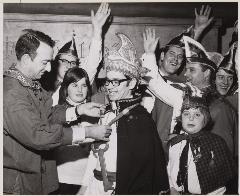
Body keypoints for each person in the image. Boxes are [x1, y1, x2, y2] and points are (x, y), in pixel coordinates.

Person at [3, 29, 112, 194]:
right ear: (26, 59)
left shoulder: (30, 84)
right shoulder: (11, 93)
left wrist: (77, 110)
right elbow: (39, 135)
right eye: (44, 62)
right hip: (20, 186)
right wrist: (87, 132)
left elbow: (47, 115)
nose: (48, 69)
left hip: (37, 180)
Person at [79, 33, 169, 195]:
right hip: (95, 188)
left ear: (132, 82)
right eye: (108, 81)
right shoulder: (106, 113)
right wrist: (83, 189)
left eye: (116, 82)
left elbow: (144, 174)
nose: (109, 87)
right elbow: (95, 155)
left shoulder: (140, 120)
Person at [142, 28, 238, 158]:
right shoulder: (183, 93)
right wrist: (149, 54)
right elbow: (155, 84)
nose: (185, 74)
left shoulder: (220, 106)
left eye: (191, 70)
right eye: (186, 70)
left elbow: (224, 151)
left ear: (207, 73)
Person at [149, 5, 214, 153]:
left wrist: (198, 31)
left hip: (169, 146)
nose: (176, 59)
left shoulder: (183, 85)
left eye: (180, 57)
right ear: (162, 56)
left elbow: (192, 55)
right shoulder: (145, 79)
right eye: (172, 54)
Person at [40, 2, 111, 106]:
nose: (69, 65)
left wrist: (97, 31)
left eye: (73, 62)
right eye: (64, 61)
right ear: (55, 63)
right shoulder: (44, 84)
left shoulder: (81, 82)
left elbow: (92, 61)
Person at [167, 95, 236, 194]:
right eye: (186, 114)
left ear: (205, 119)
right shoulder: (175, 142)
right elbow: (170, 169)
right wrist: (172, 188)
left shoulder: (215, 143)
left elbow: (219, 184)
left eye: (197, 115)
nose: (191, 118)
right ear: (181, 118)